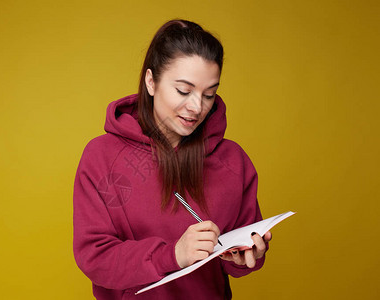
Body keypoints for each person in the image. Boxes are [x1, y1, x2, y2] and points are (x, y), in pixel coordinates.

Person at [73, 19, 271, 300]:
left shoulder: (233, 161)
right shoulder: (102, 157)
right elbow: (95, 256)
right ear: (151, 81)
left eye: (209, 94)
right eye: (183, 90)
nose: (196, 107)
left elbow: (240, 257)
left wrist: (244, 257)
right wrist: (173, 255)